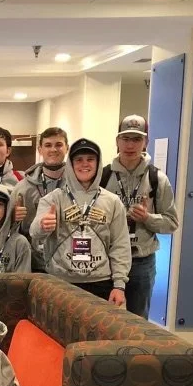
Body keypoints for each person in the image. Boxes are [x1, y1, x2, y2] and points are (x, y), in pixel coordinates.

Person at [30, 138, 130, 304]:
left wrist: (119, 285)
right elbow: (34, 233)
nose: (85, 164)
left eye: (90, 159)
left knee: (96, 330)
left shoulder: (112, 202)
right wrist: (43, 225)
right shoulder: (53, 199)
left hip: (100, 282)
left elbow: (120, 245)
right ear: (70, 164)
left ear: (98, 163)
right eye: (79, 160)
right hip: (60, 280)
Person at [101, 115, 179, 318]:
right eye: (125, 138)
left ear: (146, 142)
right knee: (103, 318)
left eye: (136, 139)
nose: (130, 145)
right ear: (117, 141)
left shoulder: (157, 179)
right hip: (108, 262)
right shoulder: (103, 177)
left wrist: (147, 218)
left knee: (138, 320)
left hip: (141, 262)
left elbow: (172, 223)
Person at [21, 127, 68, 271]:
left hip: (69, 262)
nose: (53, 149)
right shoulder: (24, 187)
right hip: (36, 262)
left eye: (58, 145)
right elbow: (16, 230)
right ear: (40, 150)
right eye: (48, 145)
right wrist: (14, 218)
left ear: (67, 148)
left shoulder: (78, 184)